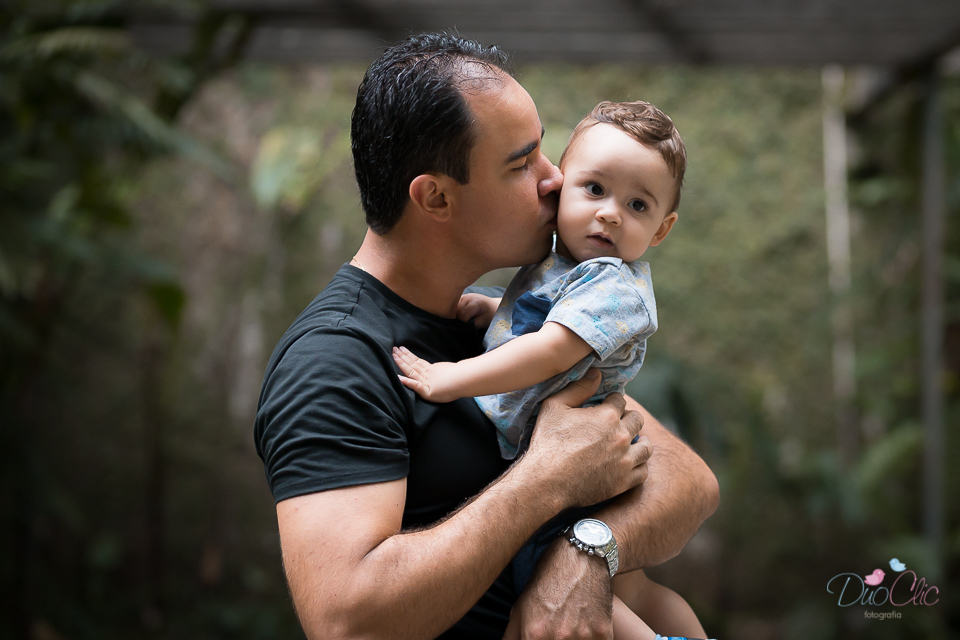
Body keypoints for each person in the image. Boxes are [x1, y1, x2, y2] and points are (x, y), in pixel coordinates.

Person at [255, 32, 719, 640]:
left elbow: (689, 482)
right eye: (521, 163)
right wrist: (546, 479)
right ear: (437, 197)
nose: (556, 180)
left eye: (544, 152)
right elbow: (347, 623)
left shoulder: (506, 321)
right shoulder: (335, 360)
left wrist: (584, 552)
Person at [392, 100, 707, 640]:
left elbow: (551, 352)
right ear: (562, 185)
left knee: (564, 579)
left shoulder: (613, 283)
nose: (610, 213)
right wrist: (497, 309)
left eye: (637, 204)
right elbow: (544, 320)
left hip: (577, 468)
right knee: (637, 587)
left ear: (661, 229)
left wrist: (451, 377)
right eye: (594, 189)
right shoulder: (565, 262)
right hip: (571, 453)